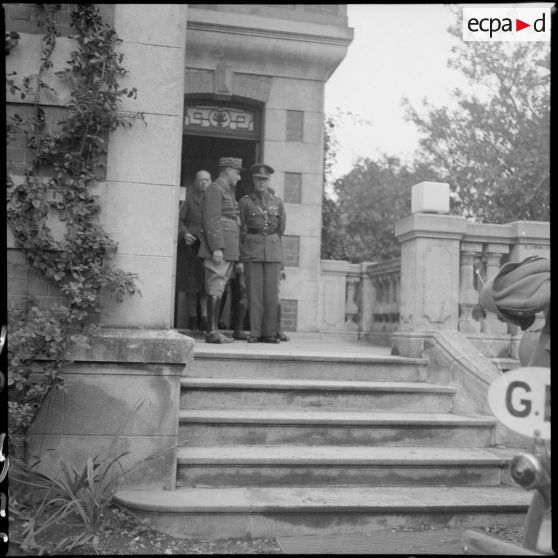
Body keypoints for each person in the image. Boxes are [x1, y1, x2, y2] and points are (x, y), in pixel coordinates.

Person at [198, 157, 243, 344]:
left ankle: (214, 329)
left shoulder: (227, 192)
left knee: (220, 286)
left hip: (228, 248)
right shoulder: (215, 190)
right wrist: (217, 247)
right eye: (237, 173)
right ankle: (211, 331)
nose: (239, 178)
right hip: (220, 248)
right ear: (228, 170)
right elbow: (211, 219)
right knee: (215, 286)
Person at [239, 163, 286, 343]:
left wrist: (282, 262)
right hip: (252, 251)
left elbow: (280, 230)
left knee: (271, 295)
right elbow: (241, 230)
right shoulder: (245, 202)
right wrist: (241, 259)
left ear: (269, 181)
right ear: (253, 180)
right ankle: (255, 332)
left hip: (273, 252)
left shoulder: (278, 203)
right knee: (254, 294)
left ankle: (270, 333)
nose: (261, 182)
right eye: (258, 179)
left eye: (264, 179)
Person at [178, 169, 210, 332]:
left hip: (208, 246)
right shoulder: (189, 199)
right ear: (196, 182)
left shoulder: (214, 200)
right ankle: (192, 319)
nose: (203, 182)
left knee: (205, 285)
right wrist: (185, 234)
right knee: (191, 284)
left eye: (206, 180)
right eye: (200, 180)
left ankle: (204, 318)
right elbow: (179, 219)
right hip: (191, 247)